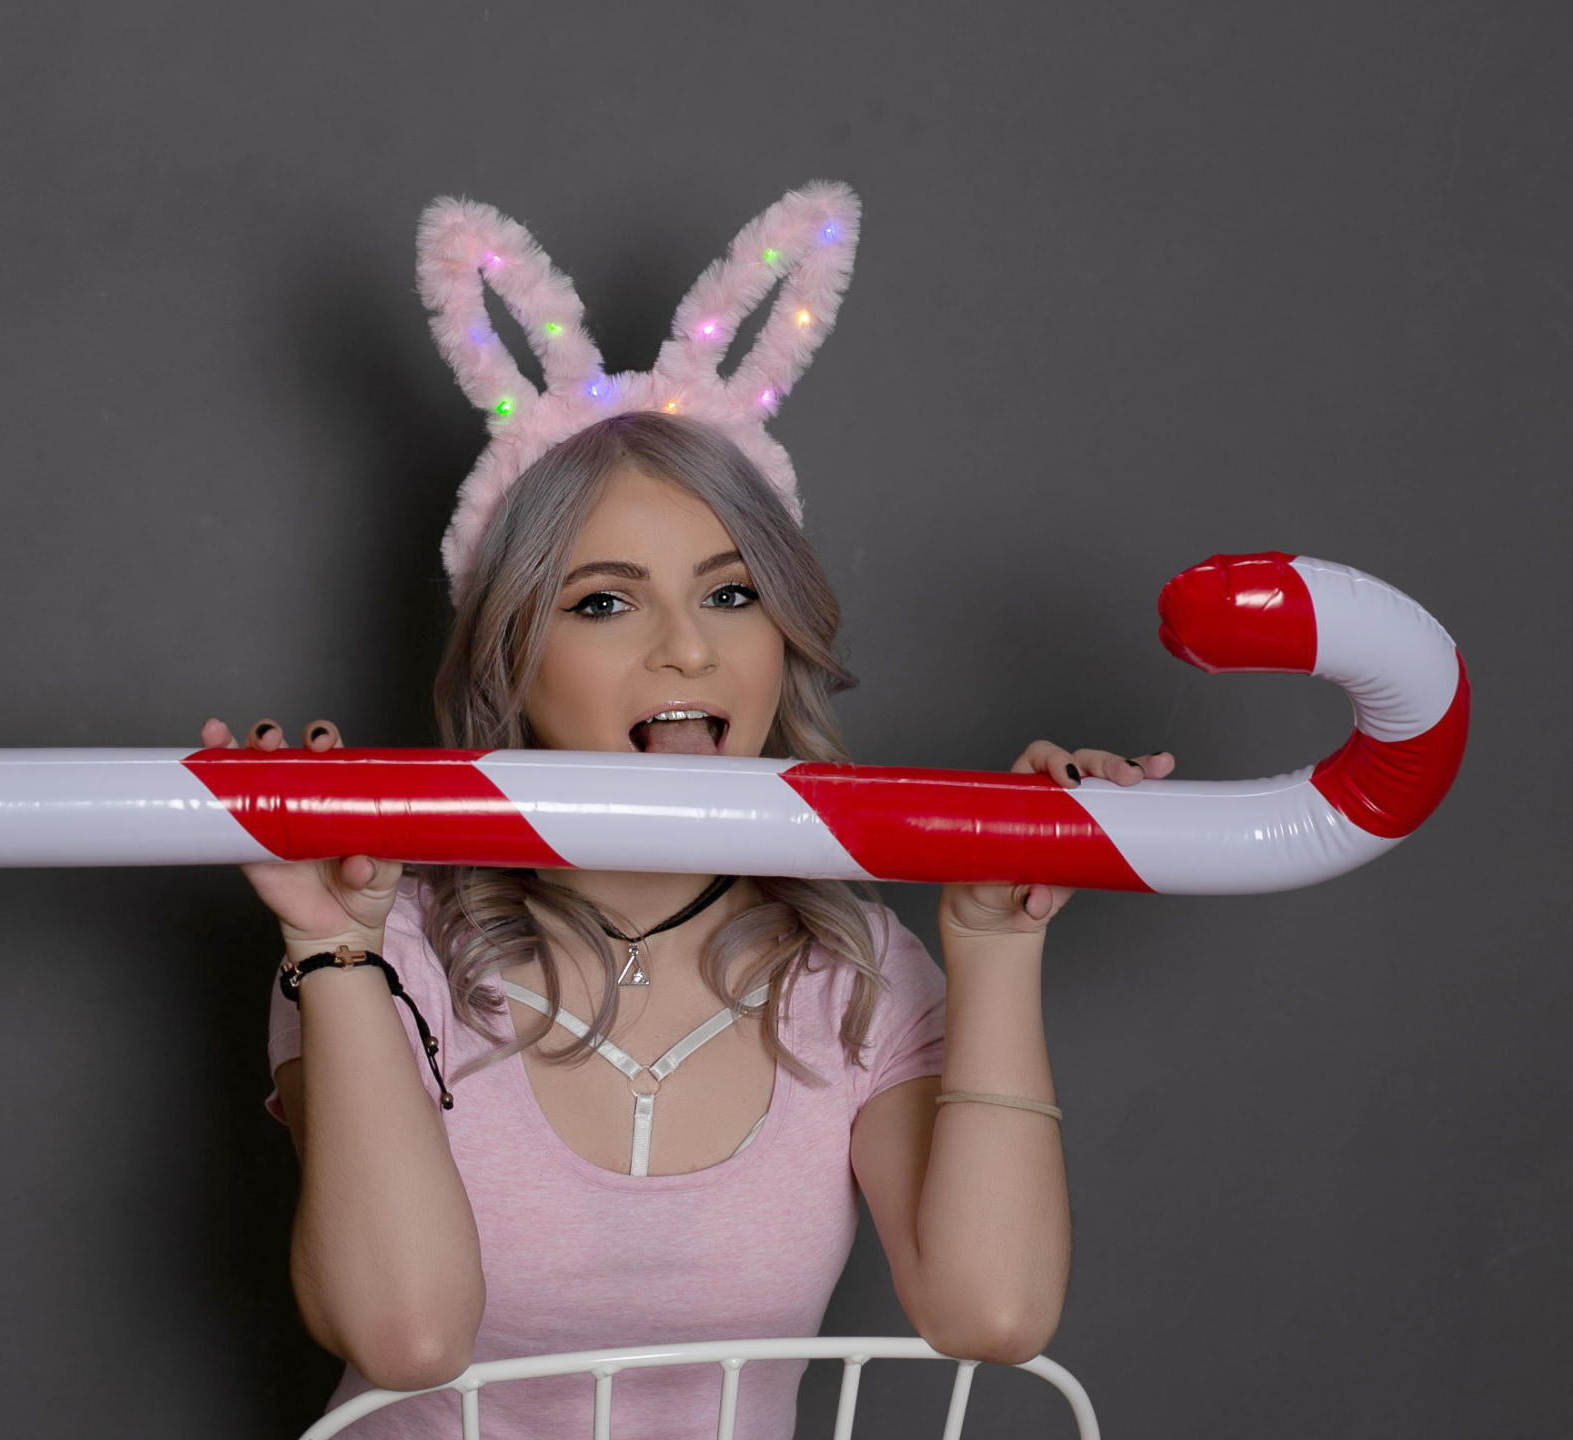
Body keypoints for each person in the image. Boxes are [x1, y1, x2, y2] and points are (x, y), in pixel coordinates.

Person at [205, 187, 1175, 1438]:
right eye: (605, 603)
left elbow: (993, 1314)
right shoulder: (388, 942)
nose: (687, 650)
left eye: (730, 595)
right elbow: (408, 1336)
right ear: (512, 656)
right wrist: (329, 948)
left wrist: (996, 945)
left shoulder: (853, 971)